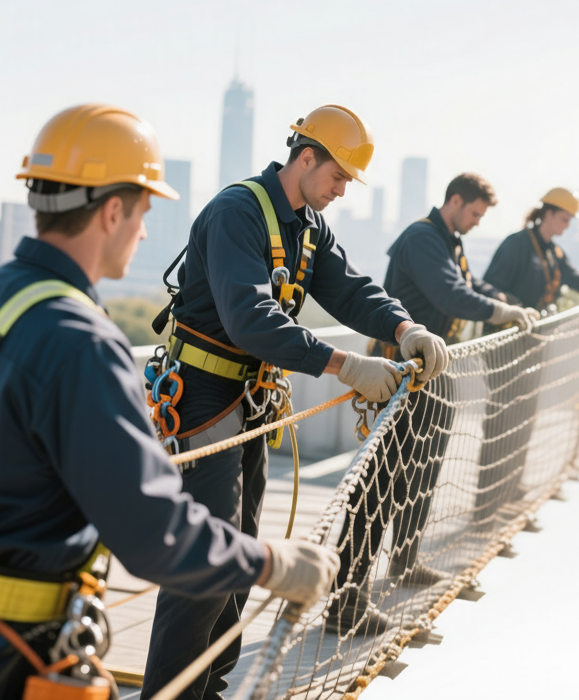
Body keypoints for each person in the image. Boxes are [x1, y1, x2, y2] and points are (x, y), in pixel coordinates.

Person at [0, 105, 339, 700]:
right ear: (114, 210)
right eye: (144, 213)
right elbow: (153, 530)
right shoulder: (78, 339)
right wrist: (271, 564)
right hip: (9, 652)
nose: (143, 232)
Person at [143, 104, 448, 699]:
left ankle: (209, 685)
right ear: (306, 158)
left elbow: (348, 288)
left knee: (240, 551)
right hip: (204, 395)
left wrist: (404, 327)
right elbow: (251, 318)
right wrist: (346, 365)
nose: (341, 190)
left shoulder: (306, 224)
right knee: (208, 560)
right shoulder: (239, 213)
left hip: (248, 395)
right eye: (337, 176)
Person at [327, 173, 539, 635]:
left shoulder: (448, 240)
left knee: (421, 474)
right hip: (401, 377)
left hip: (431, 373)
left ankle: (404, 563)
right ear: (456, 201)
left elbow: (468, 284)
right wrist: (503, 313)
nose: (477, 223)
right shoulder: (423, 240)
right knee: (379, 487)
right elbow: (450, 294)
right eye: (475, 213)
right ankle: (346, 602)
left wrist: (502, 299)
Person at [475, 187, 579, 522]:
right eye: (563, 218)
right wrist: (517, 308)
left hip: (532, 347)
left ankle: (511, 493)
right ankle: (485, 509)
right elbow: (489, 286)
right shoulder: (516, 245)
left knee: (523, 422)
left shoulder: (553, 253)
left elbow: (575, 280)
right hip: (505, 347)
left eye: (571, 220)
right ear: (547, 213)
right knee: (501, 423)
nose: (567, 225)